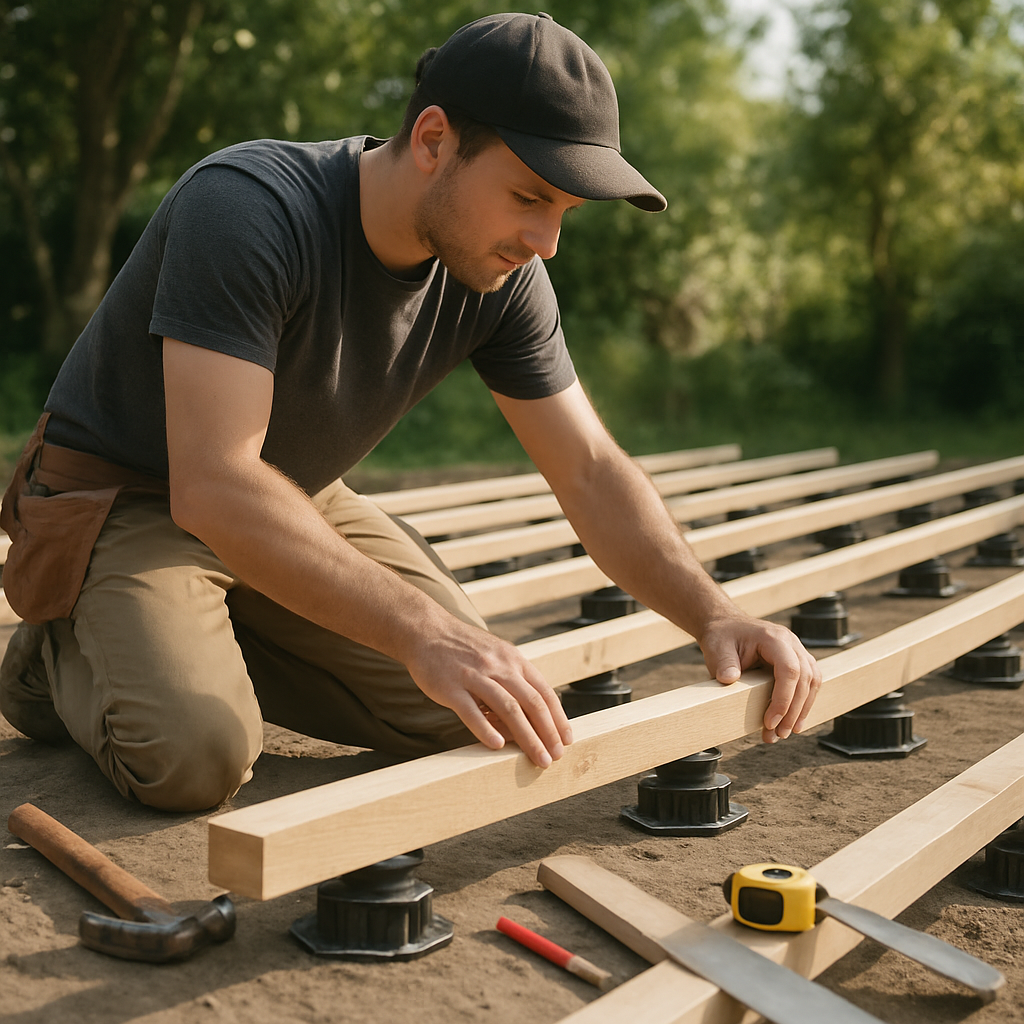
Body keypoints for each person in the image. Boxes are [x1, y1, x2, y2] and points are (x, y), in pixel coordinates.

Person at [0, 12, 821, 812]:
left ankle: (175, 637)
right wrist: (421, 630)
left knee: (478, 711)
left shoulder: (505, 276)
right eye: (528, 196)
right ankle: (57, 652)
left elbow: (590, 468)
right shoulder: (248, 208)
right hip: (129, 500)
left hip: (287, 495)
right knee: (193, 757)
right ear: (433, 141)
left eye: (565, 212)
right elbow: (213, 483)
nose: (545, 242)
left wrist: (716, 614)